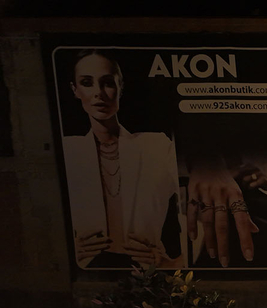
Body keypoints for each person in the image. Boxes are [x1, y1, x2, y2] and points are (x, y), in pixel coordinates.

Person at [62, 50, 182, 269]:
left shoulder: (156, 146)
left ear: (120, 87)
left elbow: (201, 208)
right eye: (87, 83)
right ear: (75, 90)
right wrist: (66, 251)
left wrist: (174, 264)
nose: (99, 93)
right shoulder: (67, 151)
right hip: (87, 274)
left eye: (108, 82)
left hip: (149, 275)